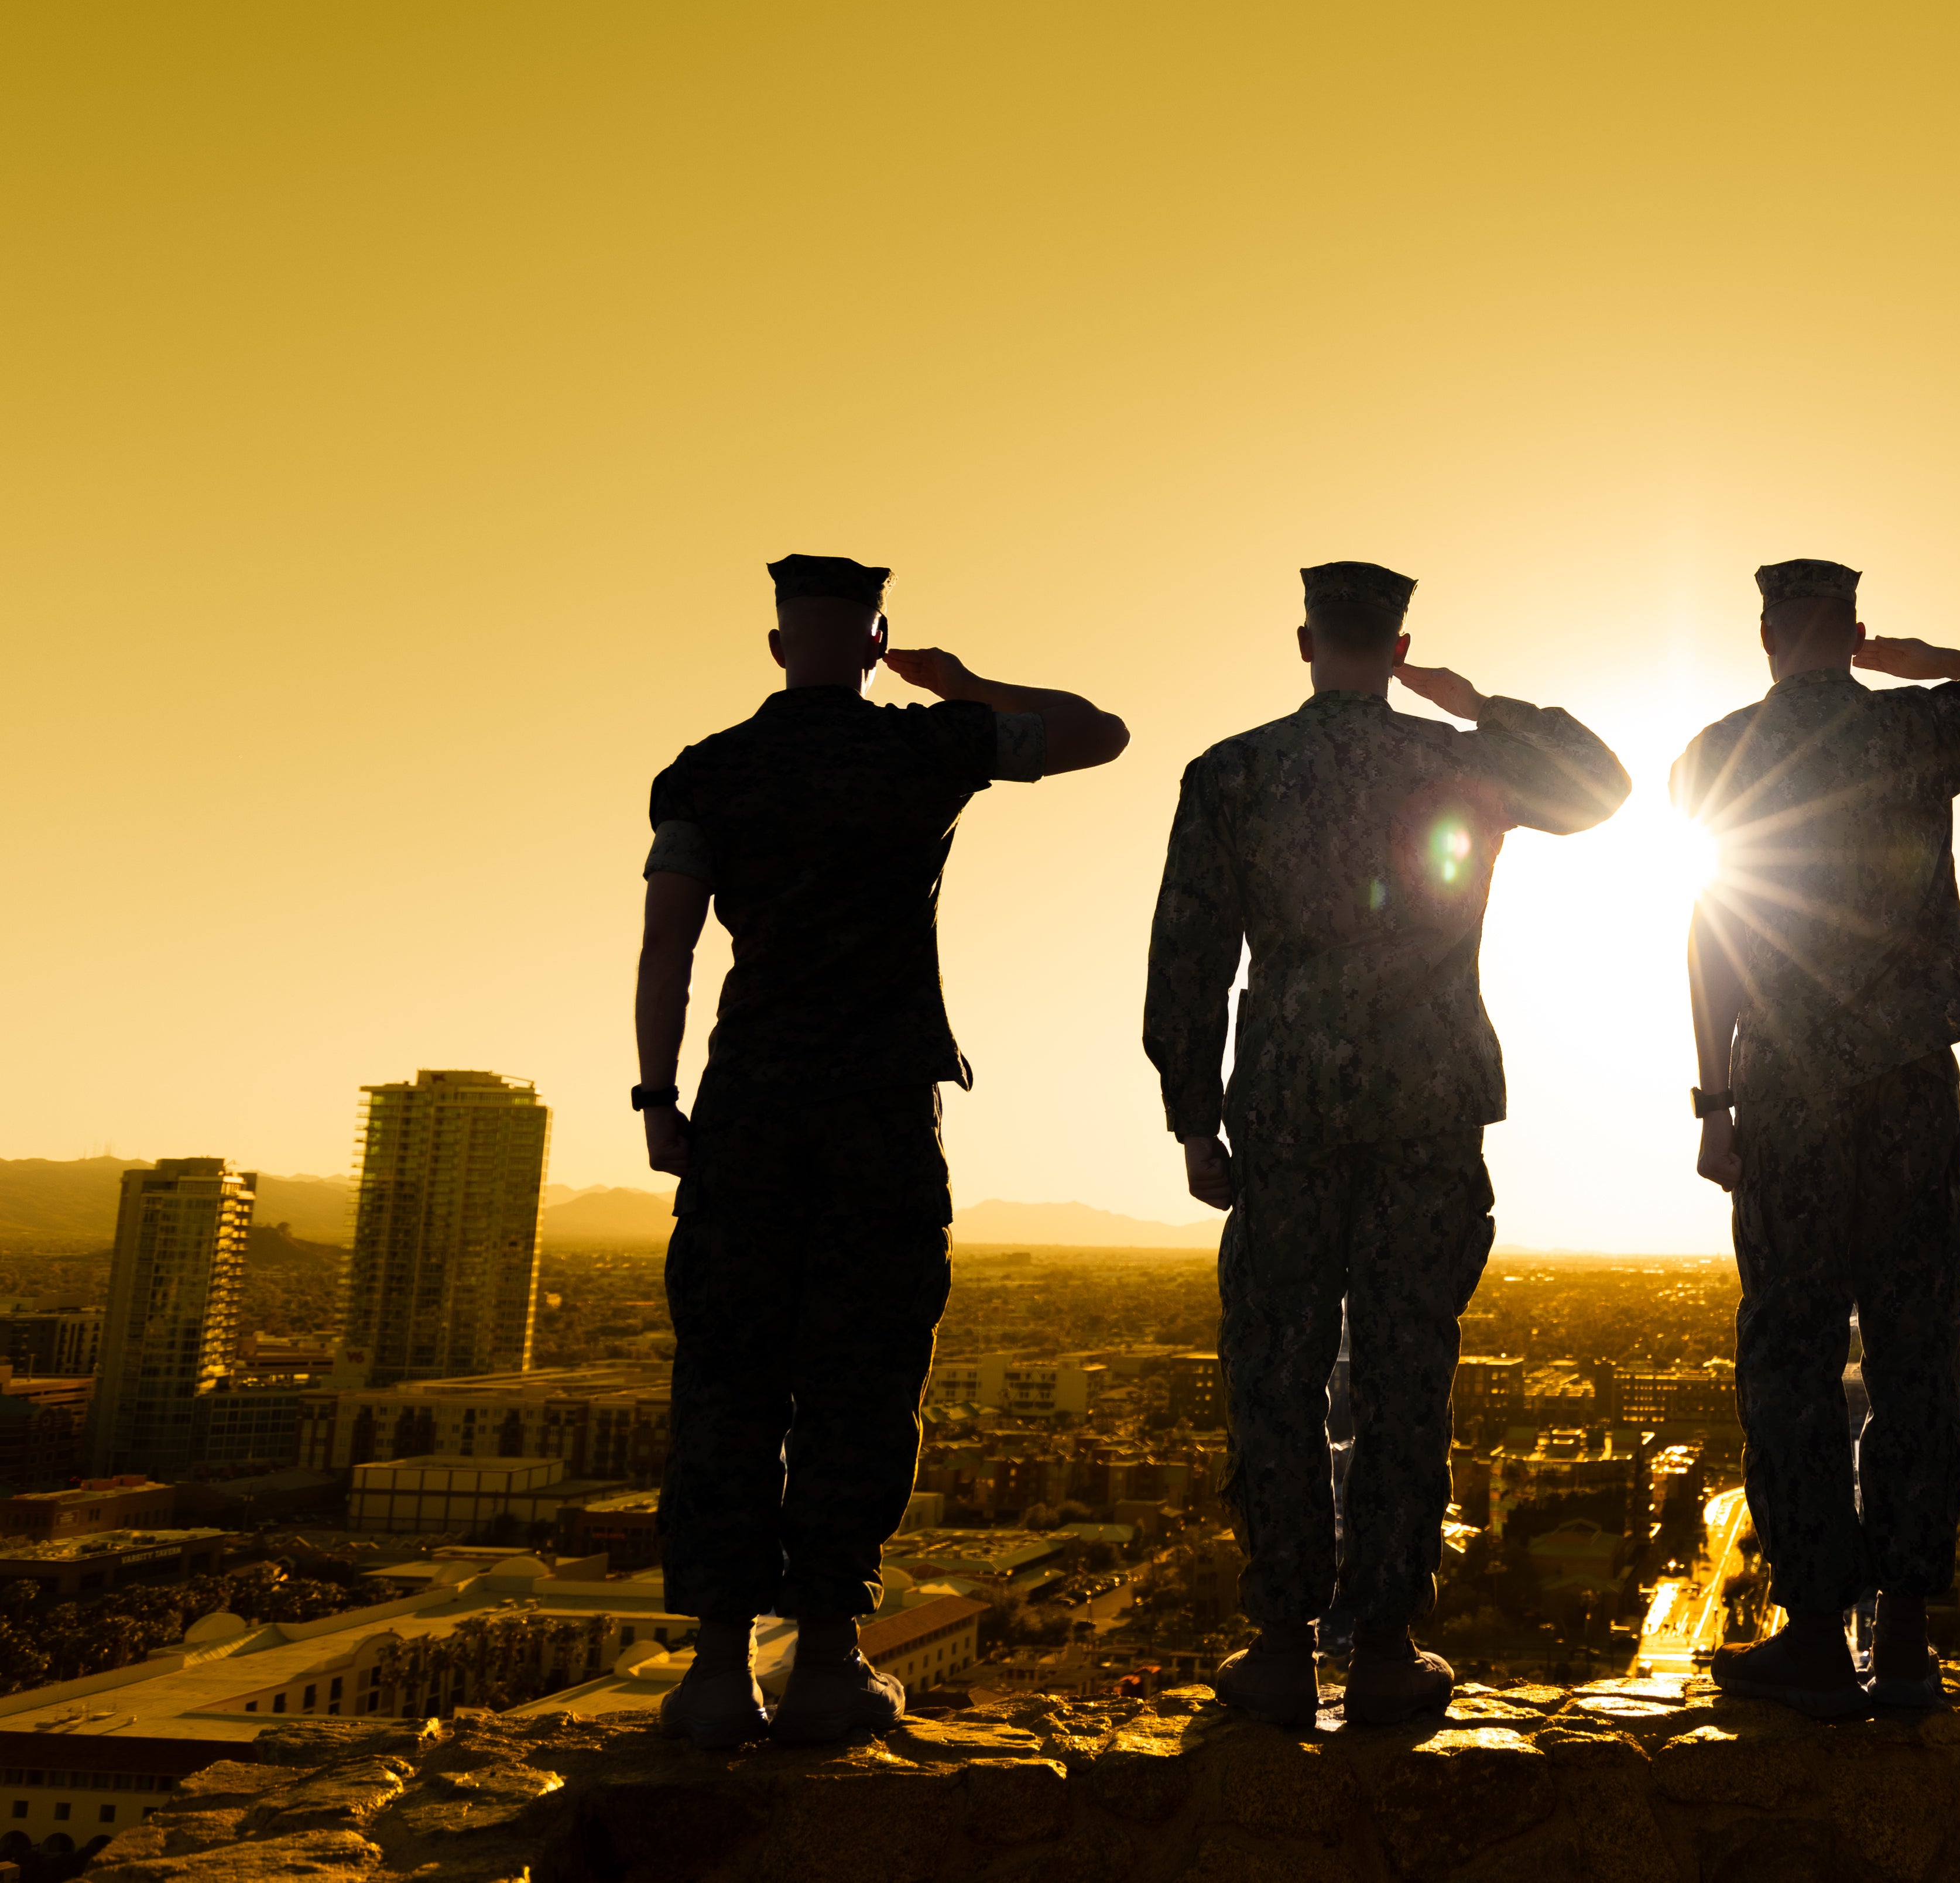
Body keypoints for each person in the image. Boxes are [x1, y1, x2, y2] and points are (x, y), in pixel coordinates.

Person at [634, 554, 1129, 1747]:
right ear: (872, 640)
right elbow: (1098, 733)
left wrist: (659, 1097)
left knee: (731, 1372)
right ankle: (828, 1658)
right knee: (860, 1372)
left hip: (747, 1099)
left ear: (775, 645)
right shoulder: (924, 749)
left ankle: (714, 1670)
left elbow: (667, 947)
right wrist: (960, 683)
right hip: (875, 1101)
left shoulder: (706, 773)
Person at [1146, 561, 1629, 1726]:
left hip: (1287, 1105)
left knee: (1278, 1371)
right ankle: (1386, 1642)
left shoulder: (1236, 772)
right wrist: (1475, 703)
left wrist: (1193, 1117)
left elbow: (1189, 958)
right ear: (1398, 641)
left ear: (1306, 640)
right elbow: (1603, 788)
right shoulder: (1459, 760)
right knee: (1407, 1372)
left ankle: (1279, 1642)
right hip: (1426, 1103)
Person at [1675, 558, 1960, 1718]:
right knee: (1915, 1348)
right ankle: (1905, 1637)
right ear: (1856, 633)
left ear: (1766, 631)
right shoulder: (1920, 725)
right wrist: (1948, 666)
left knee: (1791, 1352)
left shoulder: (1714, 754)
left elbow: (1713, 927)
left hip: (1788, 1086)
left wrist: (1714, 1103)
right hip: (1909, 1079)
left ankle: (1817, 1630)